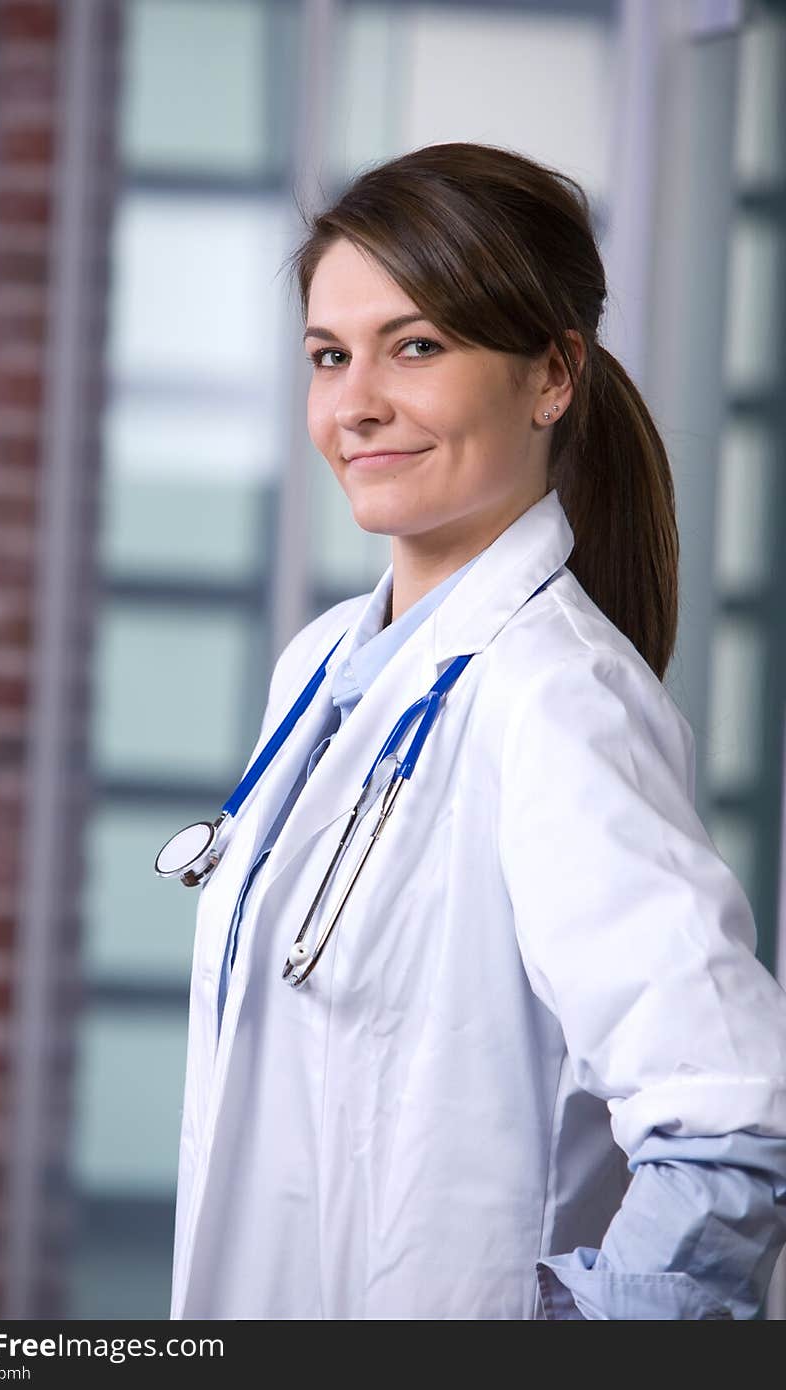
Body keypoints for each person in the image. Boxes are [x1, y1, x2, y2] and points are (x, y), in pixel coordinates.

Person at [167, 142, 786, 1320]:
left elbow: (729, 1119)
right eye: (328, 356)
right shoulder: (324, 666)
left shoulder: (557, 699)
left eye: (418, 346)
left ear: (551, 375)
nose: (356, 403)